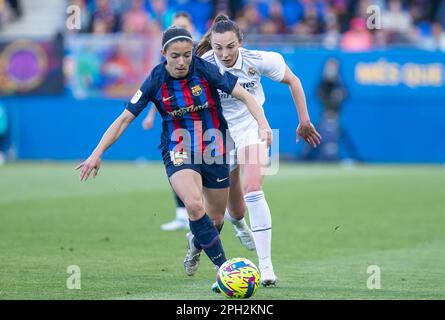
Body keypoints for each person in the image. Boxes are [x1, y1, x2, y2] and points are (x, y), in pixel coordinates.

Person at [76, 26, 273, 287]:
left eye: (187, 55)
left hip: (214, 149)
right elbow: (124, 119)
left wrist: (262, 124)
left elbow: (244, 95)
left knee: (214, 220)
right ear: (164, 54)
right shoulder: (155, 79)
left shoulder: (204, 70)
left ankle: (195, 243)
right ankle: (225, 270)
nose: (182, 62)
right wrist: (96, 154)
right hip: (178, 149)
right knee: (193, 204)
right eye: (175, 56)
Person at [196, 14, 322, 287]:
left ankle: (266, 267)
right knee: (235, 211)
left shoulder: (260, 59)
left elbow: (294, 81)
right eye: (218, 48)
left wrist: (304, 120)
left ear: (240, 41)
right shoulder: (202, 65)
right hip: (218, 135)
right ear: (211, 46)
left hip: (253, 127)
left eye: (230, 46)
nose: (225, 54)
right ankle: (238, 224)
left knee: (253, 188)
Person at [141, 12, 200, 232]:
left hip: (204, 121)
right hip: (178, 124)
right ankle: (181, 214)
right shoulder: (171, 56)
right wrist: (149, 115)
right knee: (178, 166)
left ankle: (210, 211)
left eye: (184, 25)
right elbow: (158, 90)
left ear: (192, 27)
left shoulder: (203, 52)